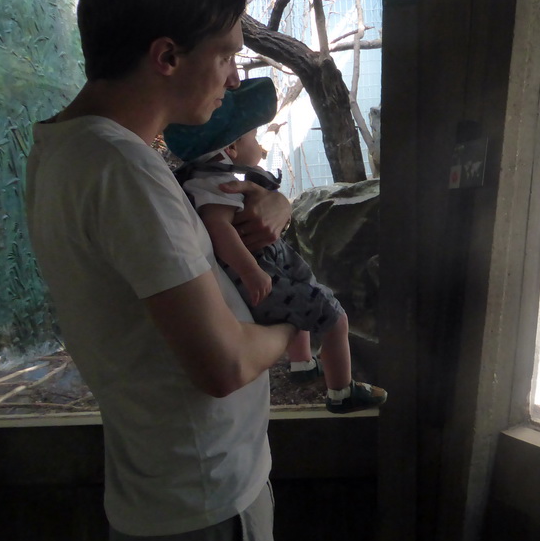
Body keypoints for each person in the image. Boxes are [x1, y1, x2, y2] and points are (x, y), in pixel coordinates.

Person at [25, 0, 296, 541]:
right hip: (204, 521)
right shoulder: (120, 167)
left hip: (181, 508)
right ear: (167, 57)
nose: (235, 79)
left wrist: (272, 211)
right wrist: (294, 327)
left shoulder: (78, 151)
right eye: (226, 54)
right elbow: (222, 362)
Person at [163, 77, 387, 413]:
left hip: (266, 264)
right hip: (254, 274)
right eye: (254, 137)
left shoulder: (206, 177)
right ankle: (342, 391)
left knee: (303, 279)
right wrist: (251, 271)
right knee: (334, 314)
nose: (262, 146)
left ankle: (302, 366)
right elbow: (219, 229)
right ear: (231, 149)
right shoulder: (215, 184)